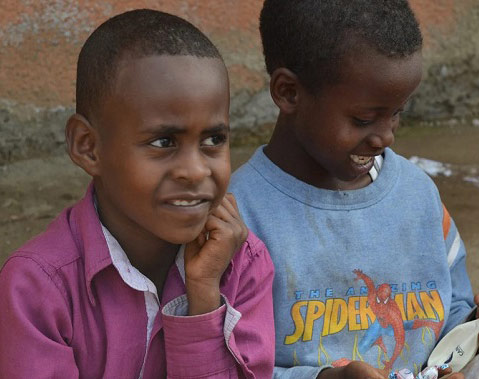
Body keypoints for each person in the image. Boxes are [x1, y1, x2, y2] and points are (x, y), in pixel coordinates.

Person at [229, 1, 479, 378]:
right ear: (288, 93)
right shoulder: (243, 215)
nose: (385, 136)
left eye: (398, 112)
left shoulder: (417, 195)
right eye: (363, 119)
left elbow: (448, 311)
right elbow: (230, 365)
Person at [0, 9, 275, 378]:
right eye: (163, 142)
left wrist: (204, 296)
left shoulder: (240, 265)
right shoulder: (38, 288)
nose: (196, 171)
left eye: (214, 140)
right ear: (88, 147)